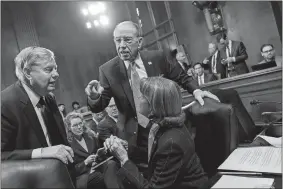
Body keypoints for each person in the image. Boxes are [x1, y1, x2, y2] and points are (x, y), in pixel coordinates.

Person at [85, 21, 219, 173]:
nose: (121, 45)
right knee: (147, 176)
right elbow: (99, 105)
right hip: (133, 136)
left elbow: (182, 77)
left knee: (176, 169)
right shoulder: (108, 70)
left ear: (139, 41)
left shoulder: (157, 57)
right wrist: (94, 97)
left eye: (127, 40)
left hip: (165, 126)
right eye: (117, 40)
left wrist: (196, 91)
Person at [104, 77, 208, 189]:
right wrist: (126, 148)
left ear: (154, 106)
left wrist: (123, 158)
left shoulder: (171, 143)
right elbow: (155, 156)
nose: (135, 100)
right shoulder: (166, 124)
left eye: (141, 97)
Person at [1, 46, 75, 183]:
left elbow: (61, 143)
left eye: (56, 68)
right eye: (48, 69)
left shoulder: (49, 98)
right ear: (28, 72)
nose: (56, 74)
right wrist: (41, 152)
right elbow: (2, 155)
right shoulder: (5, 104)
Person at [65, 112, 120, 189]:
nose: (79, 127)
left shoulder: (90, 137)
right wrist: (85, 162)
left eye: (80, 123)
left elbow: (98, 155)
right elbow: (70, 171)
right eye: (75, 125)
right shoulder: (67, 145)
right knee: (99, 176)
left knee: (112, 164)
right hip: (82, 175)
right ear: (69, 128)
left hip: (96, 166)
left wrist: (101, 154)